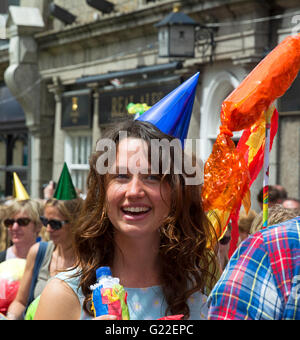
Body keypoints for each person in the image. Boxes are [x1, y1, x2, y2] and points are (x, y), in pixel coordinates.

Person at [35, 120, 219, 320]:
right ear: (102, 191)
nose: (134, 191)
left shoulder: (199, 290)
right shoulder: (64, 295)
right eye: (121, 176)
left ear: (175, 193)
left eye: (152, 177)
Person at [207, 215, 300, 319]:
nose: (216, 246)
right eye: (211, 238)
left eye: (224, 240)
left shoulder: (267, 248)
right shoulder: (209, 267)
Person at [6, 197, 83, 320]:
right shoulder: (38, 252)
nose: (48, 229)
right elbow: (20, 302)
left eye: (55, 224)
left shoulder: (90, 260)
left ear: (75, 222)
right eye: (45, 221)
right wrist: (11, 317)